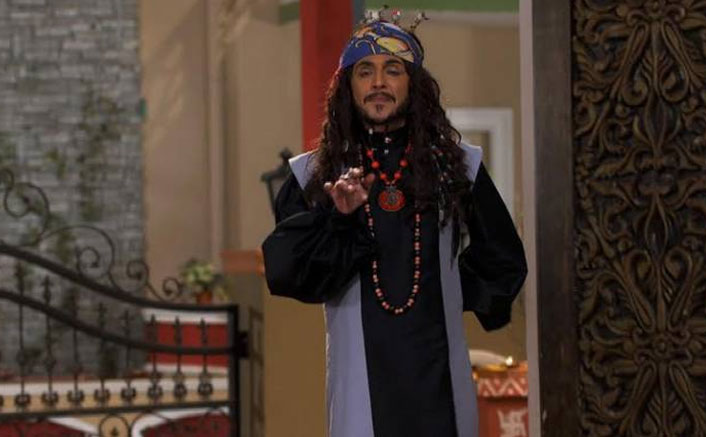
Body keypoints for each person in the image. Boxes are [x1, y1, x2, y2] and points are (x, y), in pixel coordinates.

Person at [262, 15, 527, 437]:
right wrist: (338, 220)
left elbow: (504, 258)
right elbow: (290, 272)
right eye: (365, 71)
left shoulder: (458, 167)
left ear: (413, 84)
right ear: (348, 87)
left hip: (438, 376)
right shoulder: (314, 175)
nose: (379, 83)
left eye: (393, 70)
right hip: (360, 383)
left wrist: (452, 291)